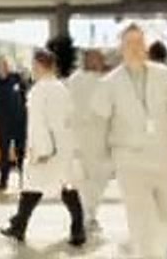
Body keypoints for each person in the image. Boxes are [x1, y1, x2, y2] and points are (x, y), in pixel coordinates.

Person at [102, 24, 167, 259]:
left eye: (139, 42)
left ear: (145, 46)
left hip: (164, 160)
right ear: (121, 49)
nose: (135, 48)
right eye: (129, 44)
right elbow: (98, 127)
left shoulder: (165, 76)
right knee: (141, 221)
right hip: (130, 164)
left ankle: (152, 250)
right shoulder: (109, 84)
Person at [0, 49, 86, 247]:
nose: (32, 69)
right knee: (65, 187)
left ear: (39, 65)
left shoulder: (39, 91)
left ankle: (19, 226)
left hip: (46, 149)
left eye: (33, 65)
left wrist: (41, 150)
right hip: (63, 147)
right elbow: (70, 118)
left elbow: (38, 124)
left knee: (32, 186)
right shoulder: (61, 88)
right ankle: (77, 230)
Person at [68, 49, 114, 233]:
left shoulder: (101, 81)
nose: (101, 62)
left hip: (95, 138)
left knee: (94, 179)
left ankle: (88, 215)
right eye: (98, 59)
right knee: (89, 179)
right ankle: (88, 215)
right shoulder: (81, 81)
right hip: (87, 139)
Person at [0, 57, 28, 193]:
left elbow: (26, 97)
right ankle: (3, 182)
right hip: (3, 125)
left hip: (19, 123)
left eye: (5, 65)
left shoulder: (18, 79)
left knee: (21, 153)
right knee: (4, 154)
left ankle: (25, 180)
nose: (2, 68)